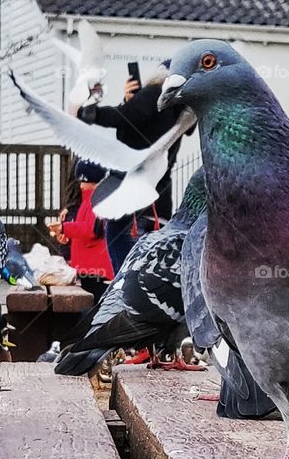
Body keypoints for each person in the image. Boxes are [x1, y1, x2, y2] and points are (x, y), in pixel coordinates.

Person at [77, 62, 189, 272]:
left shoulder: (155, 92)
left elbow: (124, 120)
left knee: (124, 263)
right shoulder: (179, 111)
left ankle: (122, 296)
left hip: (131, 198)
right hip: (159, 199)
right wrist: (129, 103)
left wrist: (90, 113)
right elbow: (135, 127)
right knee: (148, 268)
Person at [49, 159, 113, 304]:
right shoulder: (87, 200)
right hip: (87, 268)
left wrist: (64, 228)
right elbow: (82, 229)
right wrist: (67, 236)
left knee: (94, 303)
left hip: (96, 269)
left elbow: (91, 230)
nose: (81, 185)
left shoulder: (97, 199)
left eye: (84, 181)